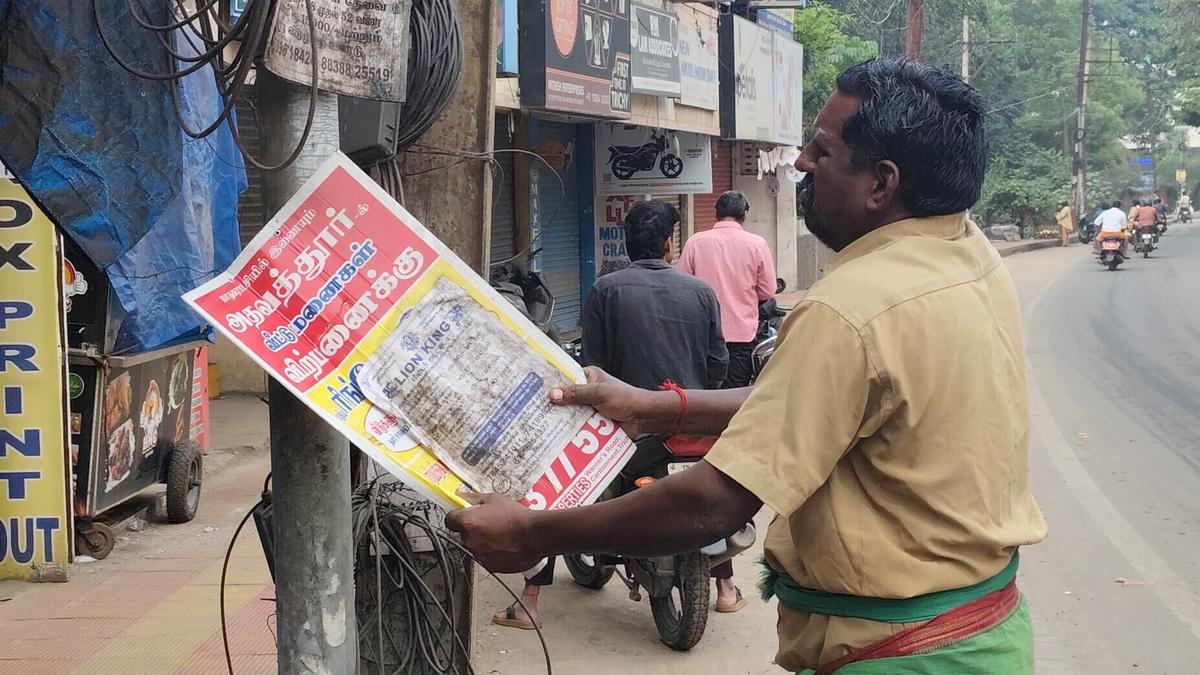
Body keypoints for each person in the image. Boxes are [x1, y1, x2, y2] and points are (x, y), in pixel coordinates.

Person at [449, 58, 1047, 673]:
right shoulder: (967, 251)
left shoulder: (852, 310)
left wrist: (534, 533)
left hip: (903, 656)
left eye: (822, 149)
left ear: (881, 183)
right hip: (984, 634)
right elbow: (818, 407)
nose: (801, 163)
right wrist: (654, 405)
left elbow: (714, 505)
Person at [490, 200, 731, 630]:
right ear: (670, 245)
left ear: (626, 241)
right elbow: (718, 364)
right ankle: (727, 588)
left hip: (628, 431)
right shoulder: (702, 292)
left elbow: (594, 366)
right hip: (691, 423)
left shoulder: (607, 289)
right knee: (716, 491)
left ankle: (530, 602)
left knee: (558, 487)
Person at [678, 191, 776, 388]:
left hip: (702, 335)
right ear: (744, 215)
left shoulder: (695, 242)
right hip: (742, 335)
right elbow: (767, 290)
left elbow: (681, 285)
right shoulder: (757, 244)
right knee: (733, 393)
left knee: (702, 391)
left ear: (716, 214)